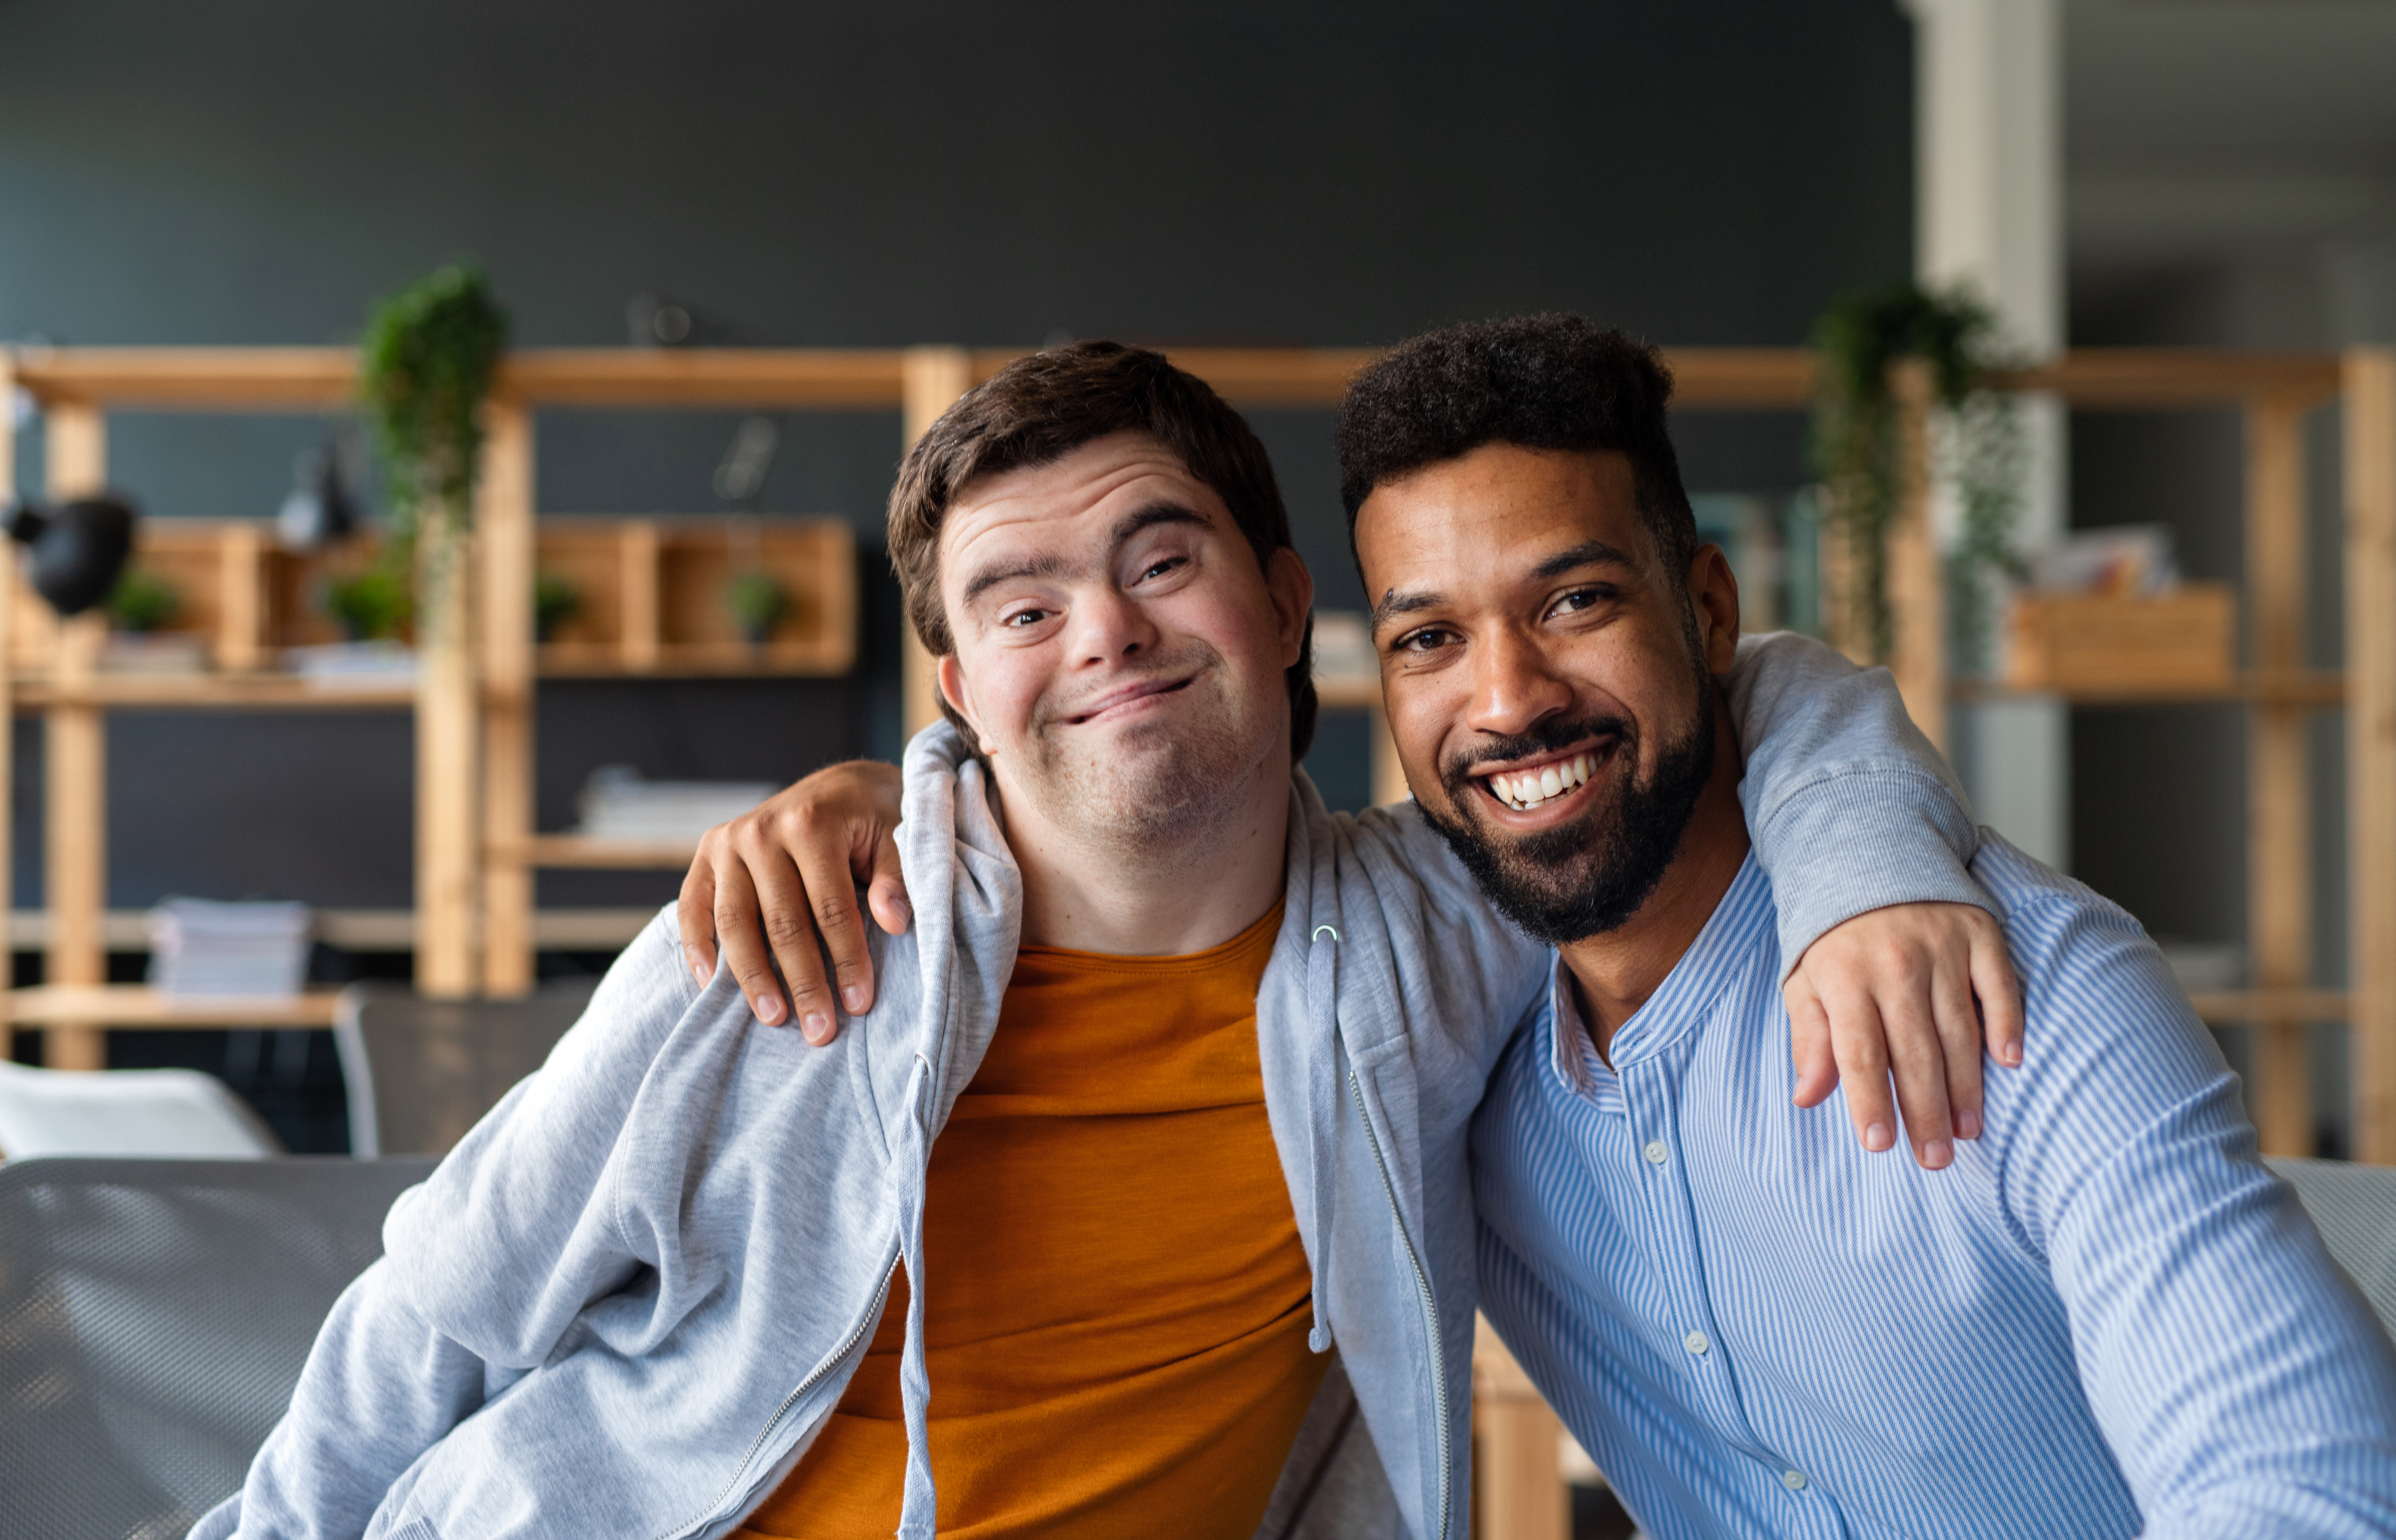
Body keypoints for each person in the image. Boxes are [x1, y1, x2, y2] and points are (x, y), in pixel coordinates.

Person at [203, 337, 2011, 1540]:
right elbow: (434, 1315)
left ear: (1288, 604)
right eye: (1021, 600)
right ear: (958, 689)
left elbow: (1738, 682)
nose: (1105, 636)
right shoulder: (786, 944)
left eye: (1160, 561)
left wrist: (1866, 874)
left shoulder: (1434, 931)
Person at [699, 317, 2396, 1539]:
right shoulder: (1440, 1017)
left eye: (1574, 600)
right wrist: (899, 788)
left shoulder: (2023, 993)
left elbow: (2304, 1493)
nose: (1507, 700)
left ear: (1705, 607)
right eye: (1430, 638)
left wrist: (1872, 849)